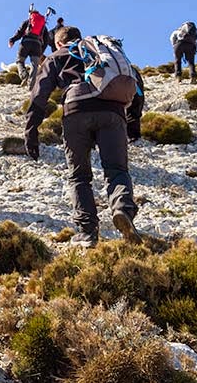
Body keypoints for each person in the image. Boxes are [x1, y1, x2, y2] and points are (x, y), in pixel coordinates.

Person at [24, 26, 142, 247]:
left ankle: (87, 233)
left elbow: (40, 92)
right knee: (117, 170)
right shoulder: (102, 51)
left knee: (79, 176)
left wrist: (31, 129)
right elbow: (135, 82)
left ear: (59, 43)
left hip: (76, 111)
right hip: (113, 112)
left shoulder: (58, 55)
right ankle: (122, 209)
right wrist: (134, 124)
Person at [8, 5, 48, 87]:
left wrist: (12, 40)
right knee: (35, 65)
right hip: (37, 45)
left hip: (26, 43)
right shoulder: (43, 26)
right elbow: (46, 40)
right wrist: (41, 51)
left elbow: (19, 33)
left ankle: (24, 76)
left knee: (20, 61)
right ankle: (31, 85)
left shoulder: (27, 22)